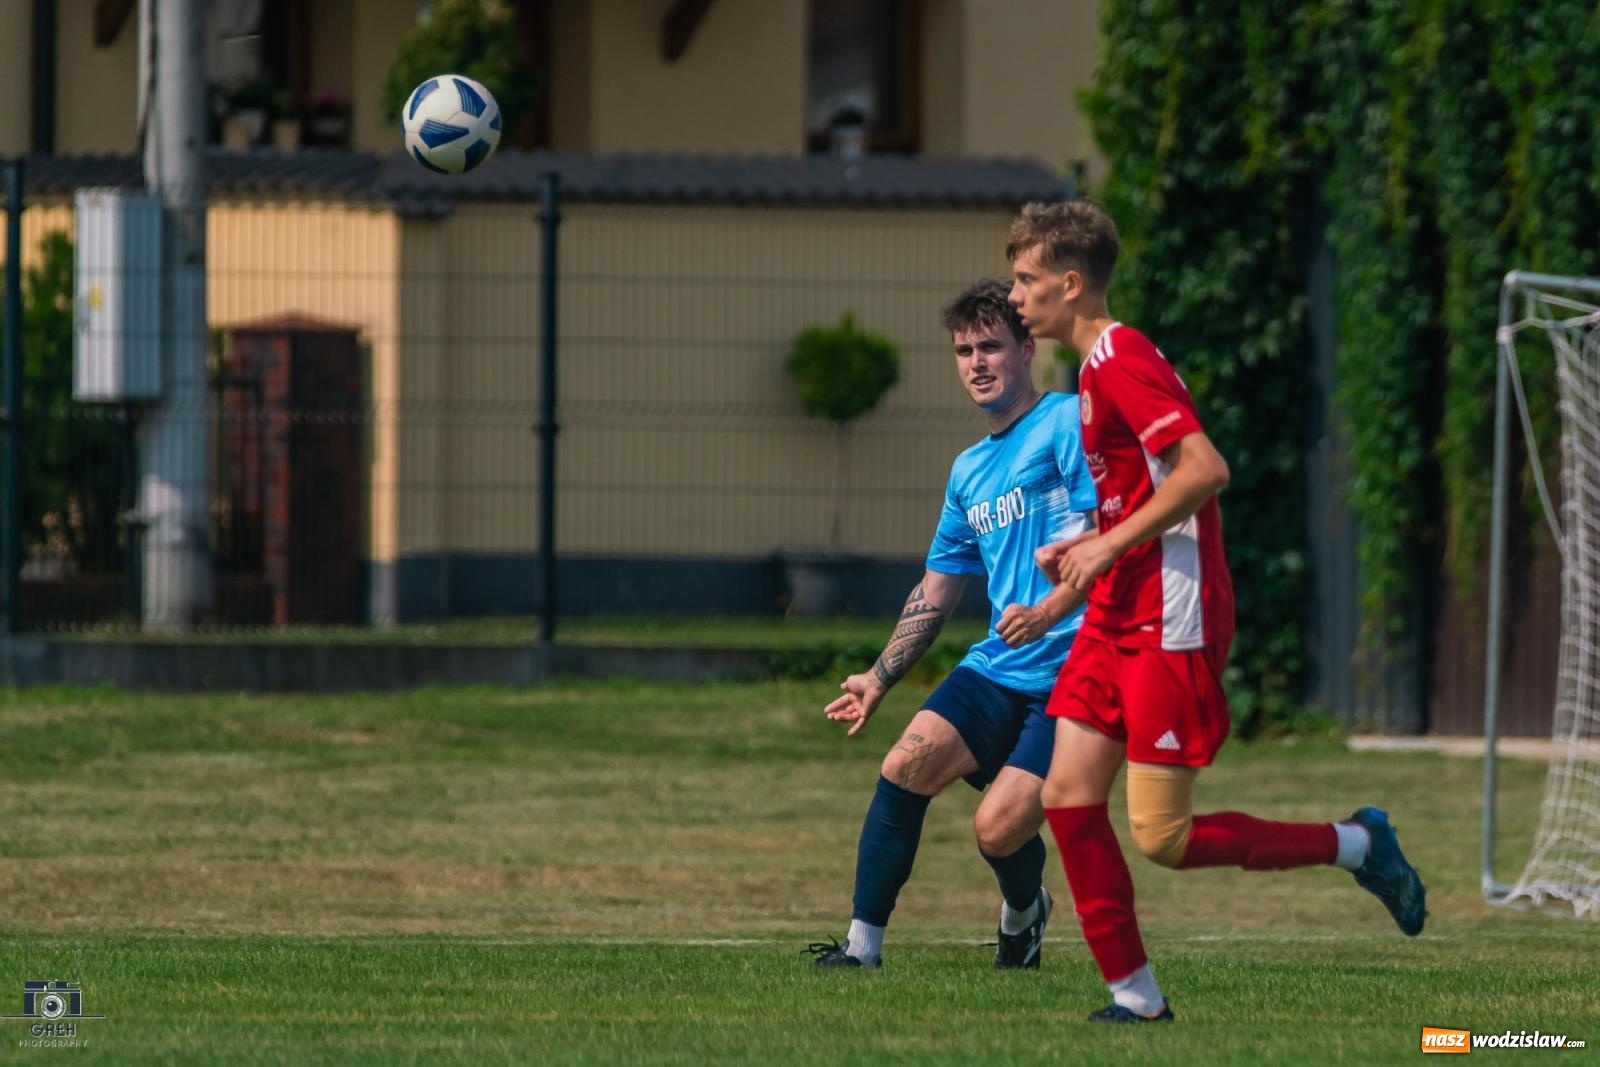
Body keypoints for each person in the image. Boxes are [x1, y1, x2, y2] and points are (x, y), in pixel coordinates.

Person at [1005, 199, 1427, 1022]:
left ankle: (1358, 843)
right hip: (1116, 611)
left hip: (1169, 615)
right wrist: (1083, 550)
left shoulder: (1120, 357)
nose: (1015, 295)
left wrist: (1103, 544)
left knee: (1162, 836)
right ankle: (1135, 997)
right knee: (1066, 798)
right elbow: (1147, 493)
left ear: (1071, 282)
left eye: (1025, 279)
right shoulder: (1091, 371)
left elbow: (1204, 469)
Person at [808, 278, 1098, 970]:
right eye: (964, 351)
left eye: (990, 346)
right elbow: (936, 590)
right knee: (902, 766)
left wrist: (1055, 605)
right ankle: (861, 950)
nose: (976, 363)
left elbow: (1105, 527)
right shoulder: (968, 471)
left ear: (1026, 349)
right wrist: (879, 677)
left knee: (996, 830)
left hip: (1076, 671)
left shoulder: (1065, 421)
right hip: (999, 666)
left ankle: (1024, 913)